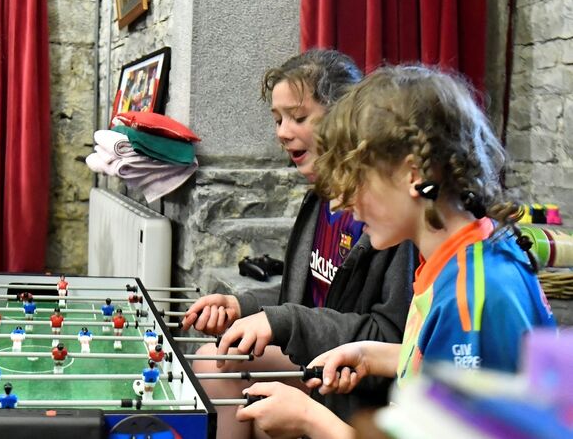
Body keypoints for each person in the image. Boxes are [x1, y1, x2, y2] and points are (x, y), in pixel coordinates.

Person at [234, 65, 557, 439]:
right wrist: (371, 355)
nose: (340, 204)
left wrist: (312, 420)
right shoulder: (462, 255)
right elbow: (440, 364)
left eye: (355, 179)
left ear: (413, 175)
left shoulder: (470, 299)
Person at [181, 50, 416, 436]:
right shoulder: (318, 198)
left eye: (299, 117)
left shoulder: (389, 218)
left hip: (356, 387)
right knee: (215, 360)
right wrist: (246, 307)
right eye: (278, 119)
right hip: (319, 360)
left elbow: (392, 339)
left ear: (345, 118)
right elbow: (308, 299)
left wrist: (283, 321)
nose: (282, 132)